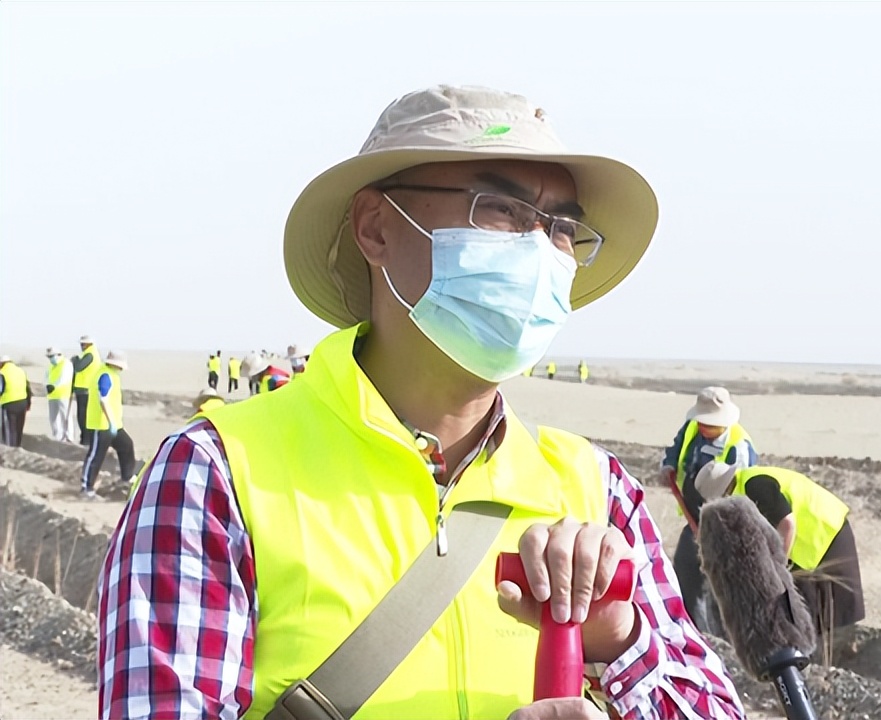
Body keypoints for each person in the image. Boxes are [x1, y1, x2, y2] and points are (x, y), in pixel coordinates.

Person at [97, 85, 742, 720]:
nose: (540, 252)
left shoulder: (597, 490)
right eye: (502, 210)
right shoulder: (218, 475)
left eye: (563, 228)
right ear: (376, 227)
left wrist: (618, 644)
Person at [695, 462, 865, 638]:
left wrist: (778, 564)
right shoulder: (744, 486)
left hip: (825, 531)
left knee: (834, 610)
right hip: (814, 537)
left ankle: (841, 656)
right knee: (809, 610)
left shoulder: (754, 485)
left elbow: (786, 523)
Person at [660, 386, 758, 634]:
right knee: (685, 568)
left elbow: (740, 496)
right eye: (701, 422)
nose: (704, 427)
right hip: (694, 514)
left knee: (718, 583)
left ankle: (719, 638)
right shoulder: (693, 428)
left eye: (710, 424)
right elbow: (677, 446)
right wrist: (669, 464)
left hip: (724, 523)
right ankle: (690, 630)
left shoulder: (740, 449)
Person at [80, 351, 135, 499]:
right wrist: (111, 422)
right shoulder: (105, 375)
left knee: (127, 445)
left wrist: (114, 423)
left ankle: (127, 477)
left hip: (114, 424)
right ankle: (87, 488)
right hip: (101, 424)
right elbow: (103, 399)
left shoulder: (113, 375)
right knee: (96, 456)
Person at [71, 335, 102, 445]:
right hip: (82, 389)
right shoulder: (88, 354)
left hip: (86, 390)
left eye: (83, 344)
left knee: (83, 417)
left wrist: (75, 360)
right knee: (82, 416)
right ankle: (85, 438)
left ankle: (86, 439)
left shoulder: (90, 354)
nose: (82, 346)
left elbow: (79, 367)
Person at [0, 355, 32, 447]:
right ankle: (18, 447)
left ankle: (10, 450)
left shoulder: (2, 373)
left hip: (8, 404)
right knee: (18, 429)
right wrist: (28, 403)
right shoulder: (20, 371)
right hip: (22, 403)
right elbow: (28, 388)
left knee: (9, 430)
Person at [45, 348, 75, 442]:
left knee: (65, 416)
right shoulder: (50, 366)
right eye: (49, 357)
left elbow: (64, 378)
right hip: (52, 395)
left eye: (51, 356)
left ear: (58, 355)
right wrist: (47, 386)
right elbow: (46, 377)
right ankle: (58, 437)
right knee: (53, 418)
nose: (50, 358)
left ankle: (69, 437)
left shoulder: (66, 364)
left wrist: (53, 386)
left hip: (63, 394)